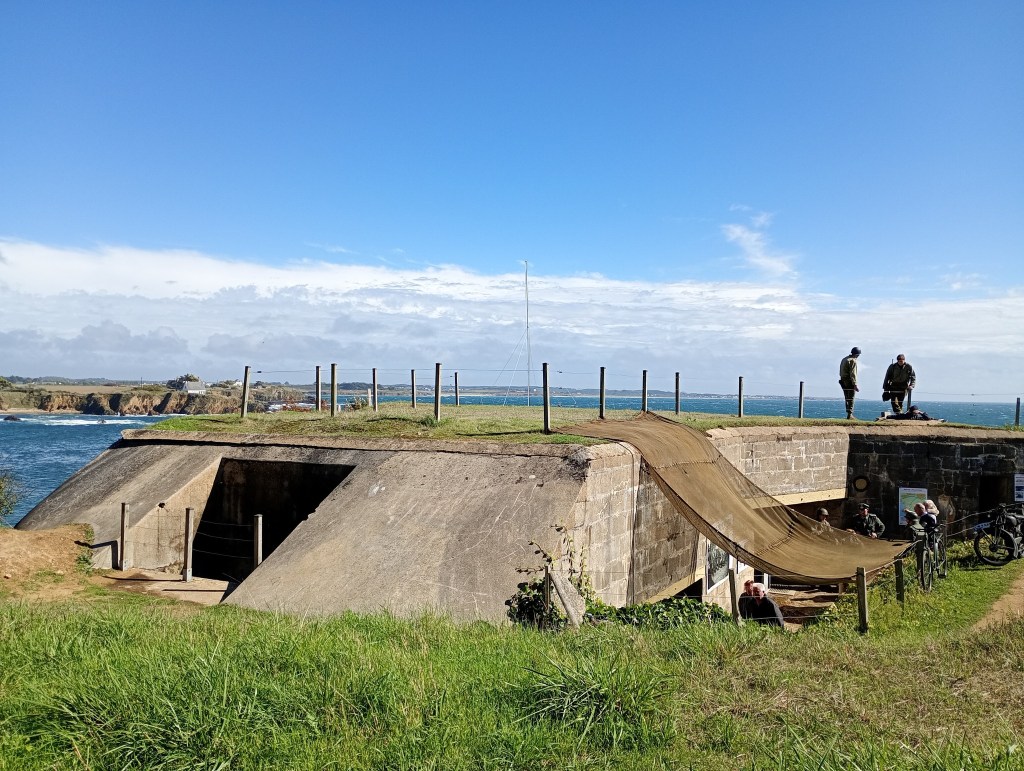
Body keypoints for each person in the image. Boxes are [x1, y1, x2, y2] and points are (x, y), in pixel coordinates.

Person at [839, 346, 862, 419]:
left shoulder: (844, 359)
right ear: (857, 355)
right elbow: (853, 373)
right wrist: (855, 384)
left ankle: (848, 413)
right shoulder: (853, 360)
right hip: (849, 381)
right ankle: (850, 414)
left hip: (842, 380)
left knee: (847, 398)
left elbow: (840, 372)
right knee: (851, 398)